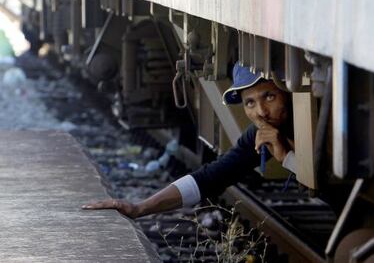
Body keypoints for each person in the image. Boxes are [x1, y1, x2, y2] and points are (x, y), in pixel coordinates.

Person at [82, 62, 296, 218]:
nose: (261, 112)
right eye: (250, 103)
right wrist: (139, 208)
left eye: (269, 96)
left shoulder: (315, 128)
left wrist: (286, 158)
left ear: (287, 92)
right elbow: (210, 178)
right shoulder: (259, 134)